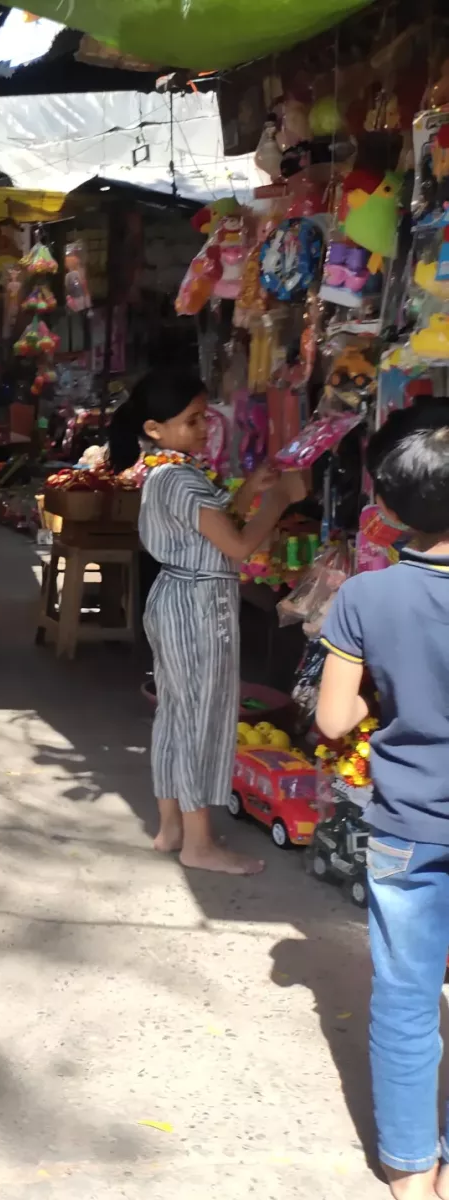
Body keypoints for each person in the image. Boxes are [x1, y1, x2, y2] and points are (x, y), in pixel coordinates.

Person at [314, 403, 449, 1200]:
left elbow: (333, 719)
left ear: (389, 507)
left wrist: (378, 698)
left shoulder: (364, 598)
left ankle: (407, 1170)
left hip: (405, 823)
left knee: (404, 1000)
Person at [108, 373, 305, 875]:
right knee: (202, 718)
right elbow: (236, 546)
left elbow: (208, 527)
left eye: (202, 418)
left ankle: (172, 827)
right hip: (198, 602)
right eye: (191, 420)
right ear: (154, 428)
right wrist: (279, 500)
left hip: (177, 595)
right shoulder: (180, 478)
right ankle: (199, 844)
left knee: (177, 713)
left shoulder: (166, 472)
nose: (202, 429)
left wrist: (249, 493)